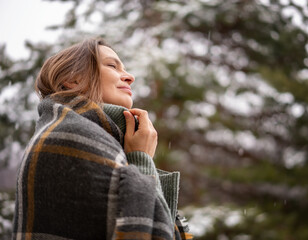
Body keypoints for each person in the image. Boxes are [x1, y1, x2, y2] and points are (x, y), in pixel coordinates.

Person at [12, 38, 192, 240]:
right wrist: (141, 159)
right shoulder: (69, 136)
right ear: (73, 79)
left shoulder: (98, 138)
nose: (130, 77)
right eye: (112, 65)